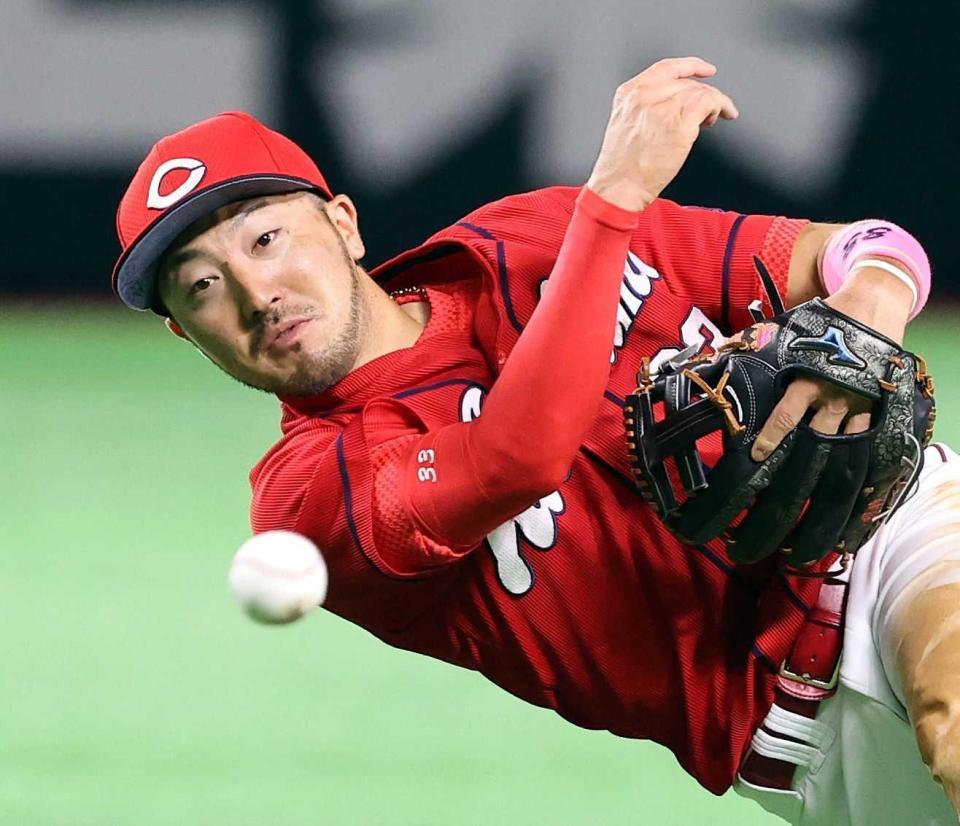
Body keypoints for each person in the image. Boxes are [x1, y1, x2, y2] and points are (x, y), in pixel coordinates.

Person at [111, 57, 956, 823]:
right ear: (187, 334)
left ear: (343, 223)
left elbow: (860, 249)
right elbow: (517, 456)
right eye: (205, 286)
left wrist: (869, 307)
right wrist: (615, 201)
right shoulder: (310, 498)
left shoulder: (530, 235)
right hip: (808, 738)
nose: (258, 292)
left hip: (895, 535)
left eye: (266, 238)